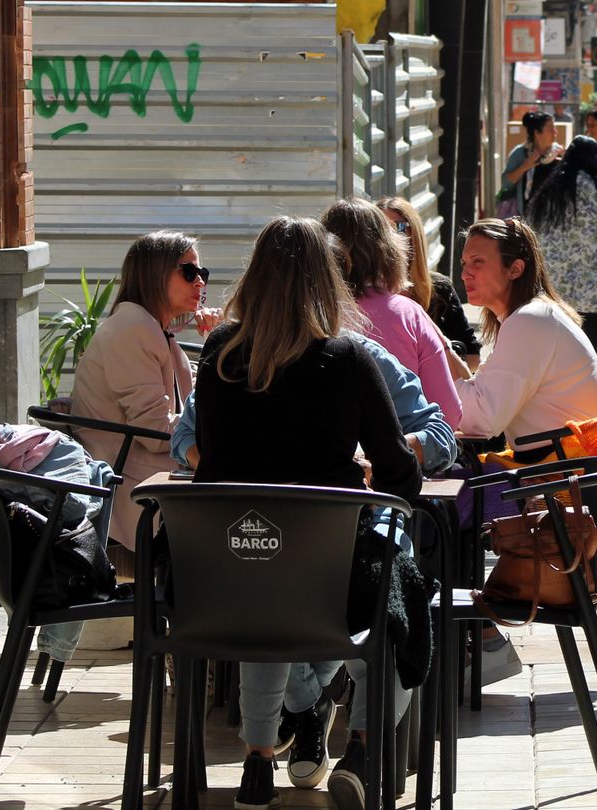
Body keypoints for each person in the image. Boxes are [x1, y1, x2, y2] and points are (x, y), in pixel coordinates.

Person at [191, 216, 422, 810]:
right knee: (397, 601)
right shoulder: (347, 358)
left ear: (253, 277)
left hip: (227, 571)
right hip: (327, 573)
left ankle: (257, 761)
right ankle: (363, 751)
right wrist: (360, 469)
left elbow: (212, 452)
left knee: (269, 585)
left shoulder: (218, 351)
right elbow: (400, 473)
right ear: (328, 280)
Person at [70, 230, 217, 553]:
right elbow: (155, 431)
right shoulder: (135, 328)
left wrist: (215, 343)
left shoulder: (154, 329)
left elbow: (200, 398)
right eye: (188, 272)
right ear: (154, 273)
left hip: (145, 473)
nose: (200, 282)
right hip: (129, 487)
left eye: (202, 273)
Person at [456, 218, 597, 444]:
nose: (465, 274)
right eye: (464, 263)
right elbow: (482, 394)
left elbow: (482, 421)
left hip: (563, 463)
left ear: (515, 269)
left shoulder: (529, 320)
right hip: (565, 459)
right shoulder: (531, 315)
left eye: (477, 262)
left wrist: (435, 355)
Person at [321, 198, 463, 430]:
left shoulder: (307, 314)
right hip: (400, 447)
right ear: (388, 249)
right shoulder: (408, 314)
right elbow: (449, 415)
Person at [527, 137, 597, 352]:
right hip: (596, 294)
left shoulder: (549, 189)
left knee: (557, 359)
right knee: (588, 358)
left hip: (553, 294)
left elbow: (531, 234)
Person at [378, 196, 482, 371]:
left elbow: (473, 358)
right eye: (381, 229)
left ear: (414, 234)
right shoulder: (361, 291)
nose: (391, 237)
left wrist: (439, 354)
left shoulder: (440, 289)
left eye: (399, 227)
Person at [500, 111, 563, 215]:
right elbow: (506, 184)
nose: (555, 132)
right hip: (525, 216)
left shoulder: (560, 154)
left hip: (552, 216)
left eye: (554, 128)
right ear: (537, 133)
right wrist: (524, 166)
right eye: (550, 129)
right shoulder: (520, 153)